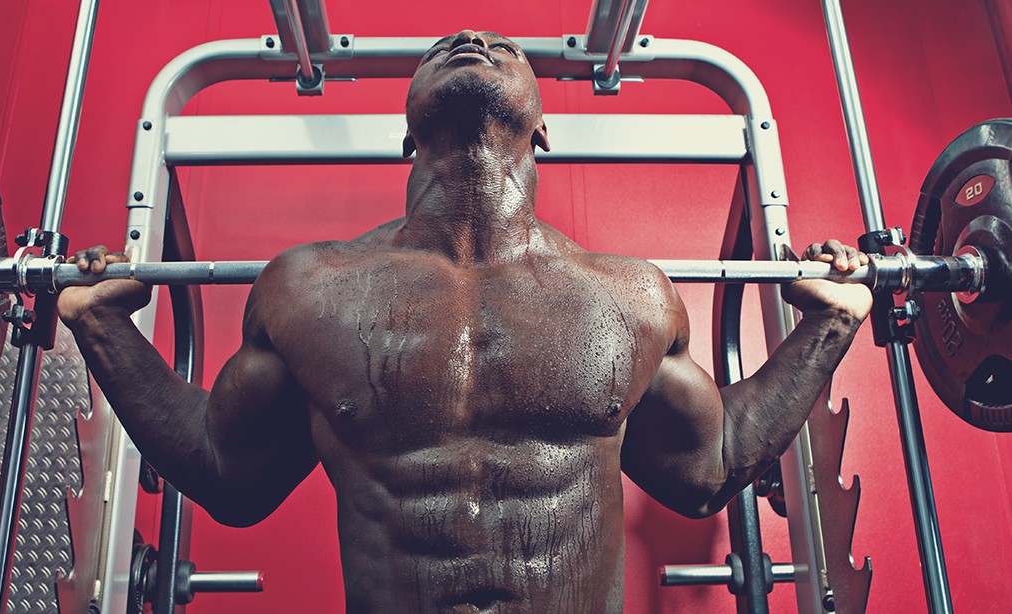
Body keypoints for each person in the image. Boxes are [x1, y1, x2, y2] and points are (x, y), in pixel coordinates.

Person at [58, 30, 872, 613]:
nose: (471, 37)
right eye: (441, 47)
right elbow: (225, 474)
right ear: (405, 132)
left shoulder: (628, 298)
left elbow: (708, 468)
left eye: (504, 48)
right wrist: (100, 325)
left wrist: (828, 325)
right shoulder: (311, 291)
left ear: (542, 129)